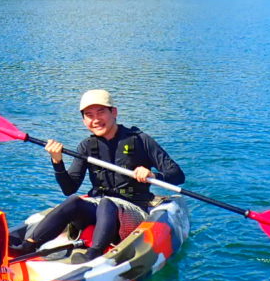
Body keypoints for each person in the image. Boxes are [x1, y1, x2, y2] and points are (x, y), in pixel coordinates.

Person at [19, 89, 185, 261]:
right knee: (74, 201)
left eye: (101, 112)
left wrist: (152, 175)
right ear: (84, 120)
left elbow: (177, 175)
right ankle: (28, 246)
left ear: (114, 112)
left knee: (107, 203)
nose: (96, 120)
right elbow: (69, 188)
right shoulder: (86, 146)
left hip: (133, 209)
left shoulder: (141, 140)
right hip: (98, 207)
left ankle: (94, 255)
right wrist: (57, 161)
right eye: (89, 115)